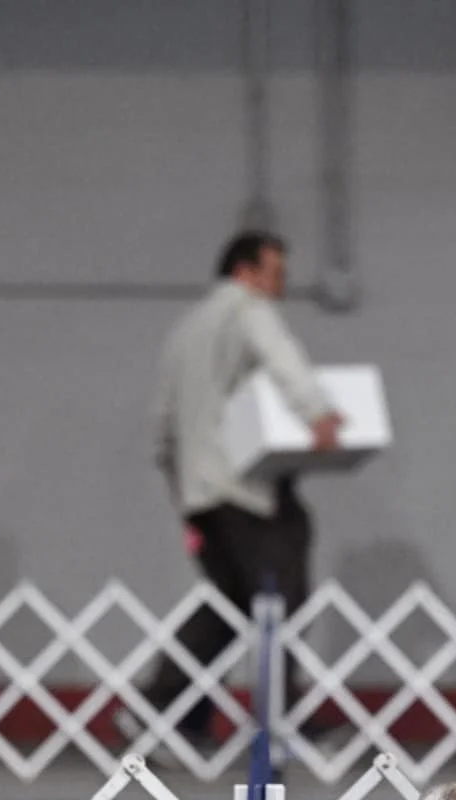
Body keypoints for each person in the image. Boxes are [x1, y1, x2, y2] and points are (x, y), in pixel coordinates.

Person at [126, 230, 342, 750]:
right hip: (247, 491)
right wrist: (318, 412)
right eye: (276, 273)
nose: (281, 286)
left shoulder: (184, 330)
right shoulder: (246, 309)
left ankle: (166, 713)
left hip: (201, 494)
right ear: (245, 271)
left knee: (228, 603)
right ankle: (281, 720)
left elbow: (162, 424)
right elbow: (282, 356)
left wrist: (182, 495)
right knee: (280, 600)